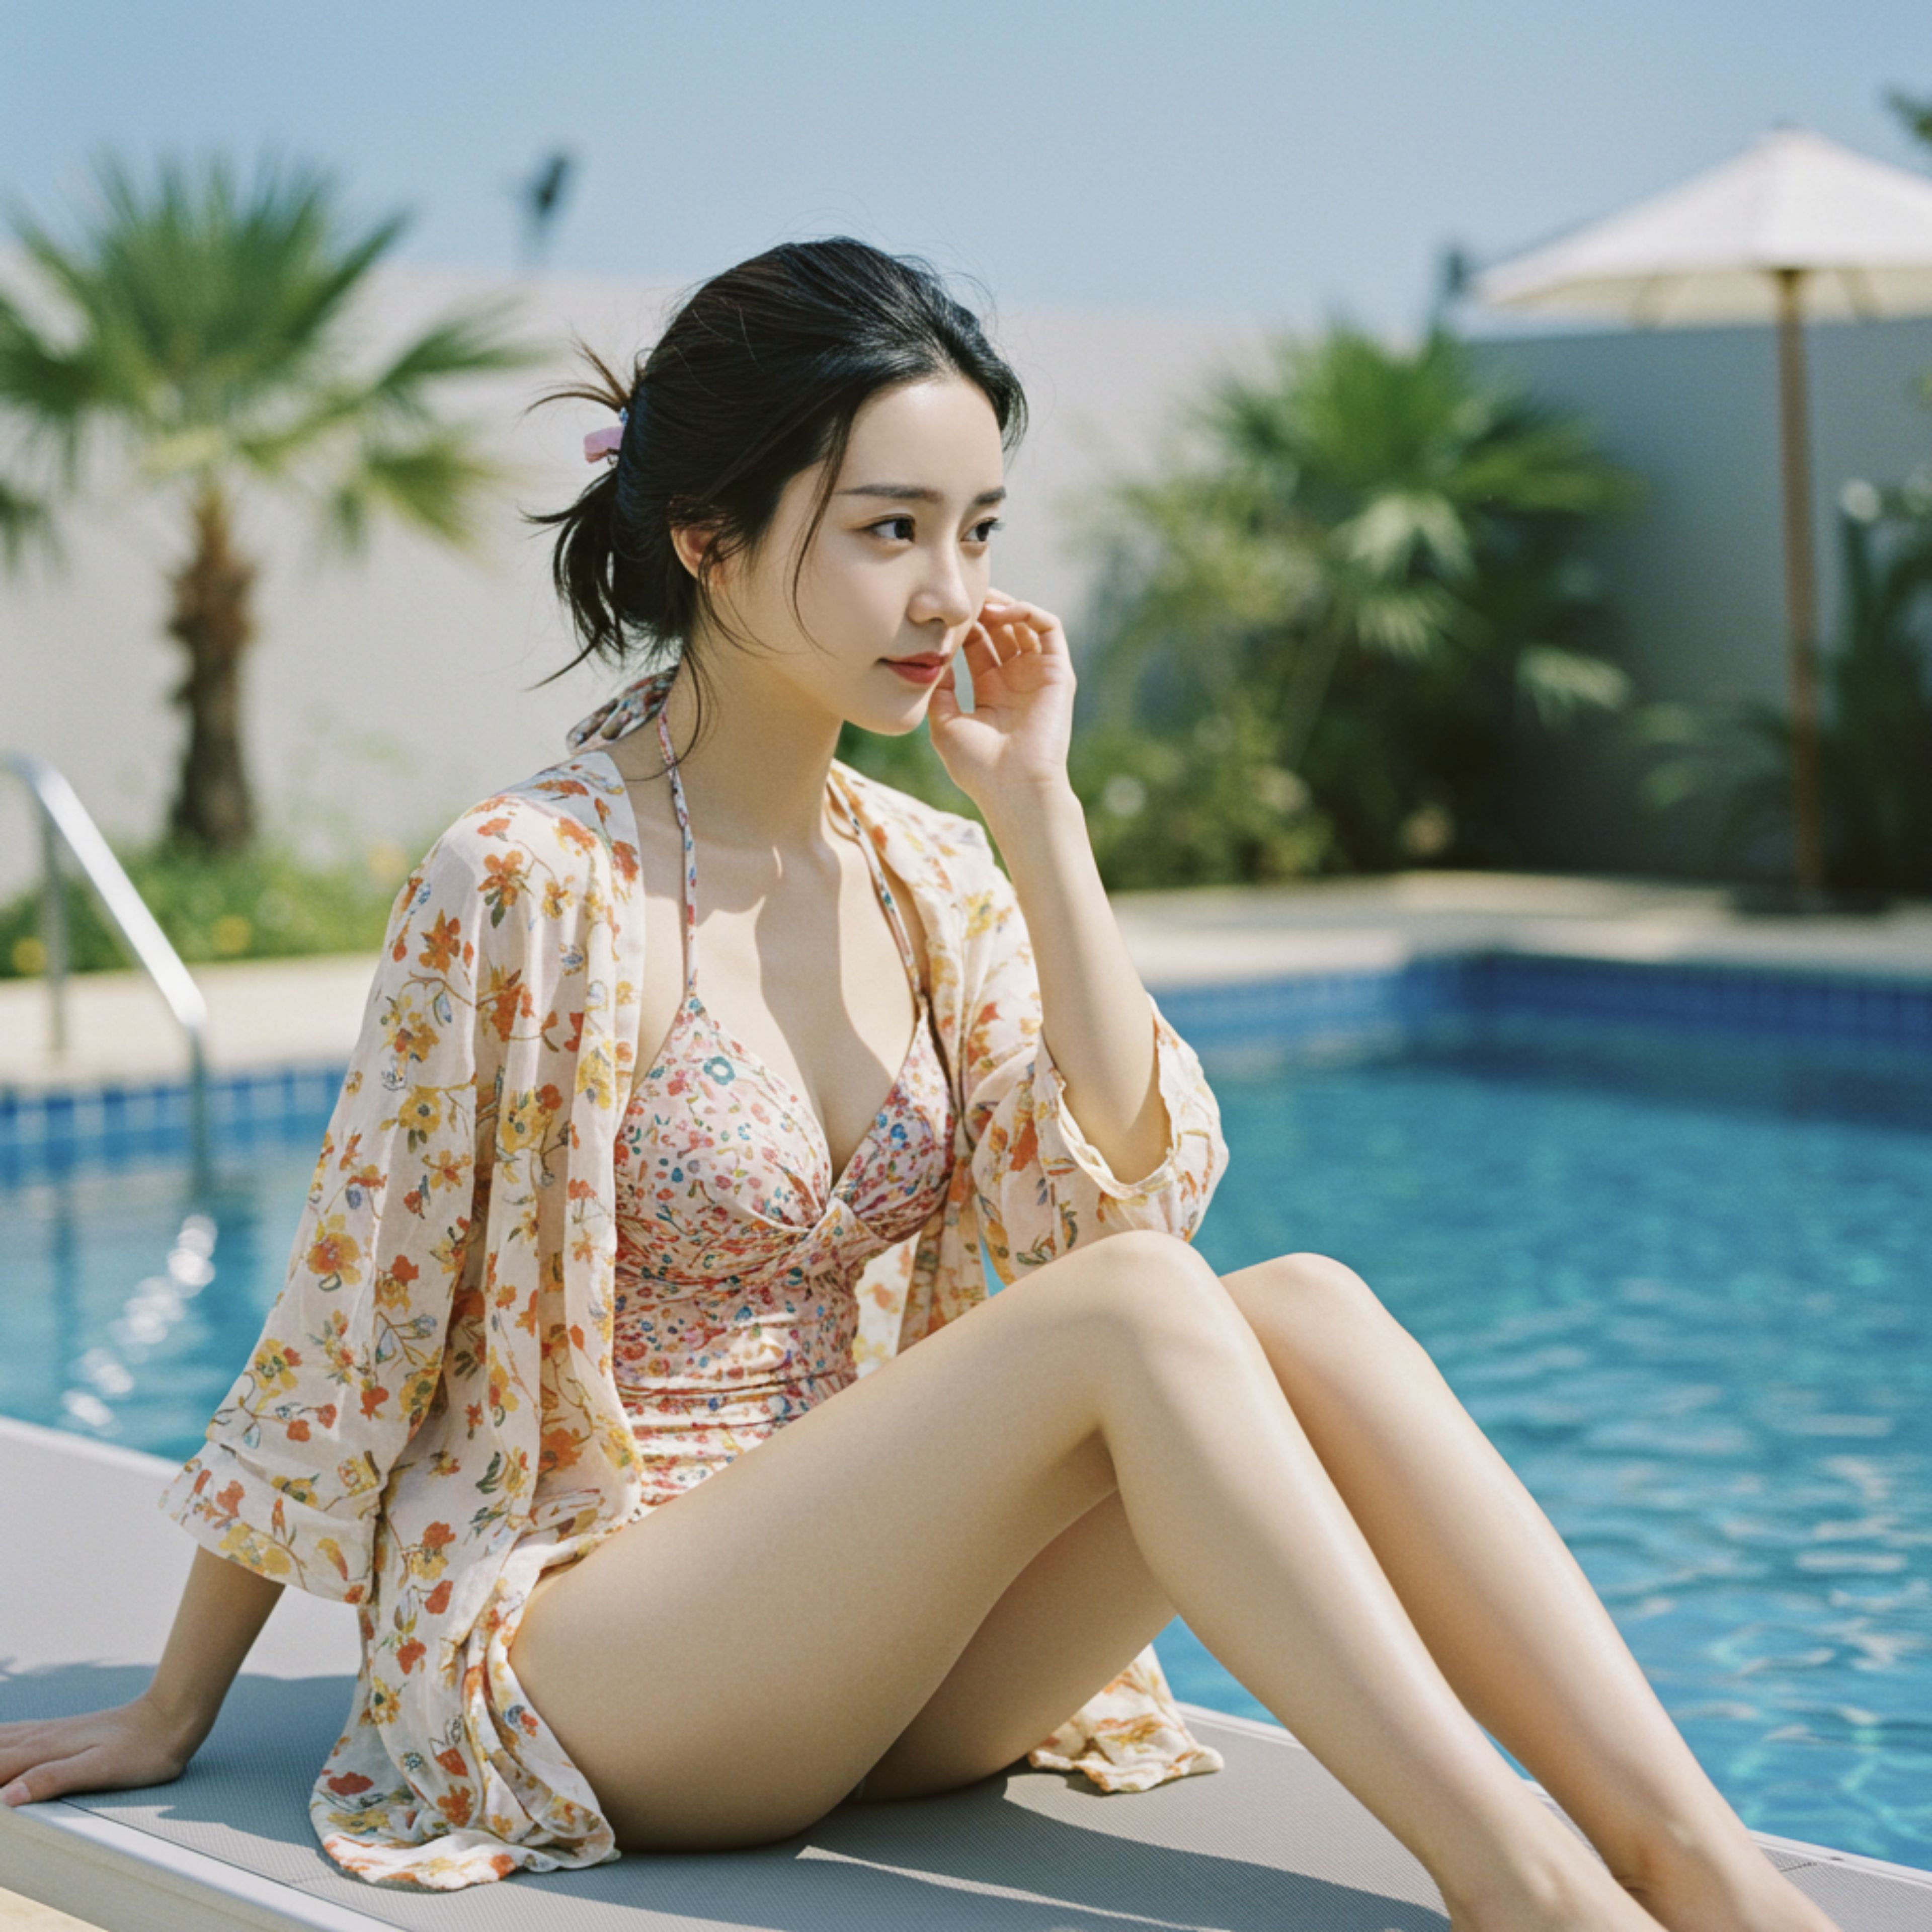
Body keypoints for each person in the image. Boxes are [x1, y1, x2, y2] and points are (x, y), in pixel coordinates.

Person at [0, 238, 1838, 1932]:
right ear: (707, 537)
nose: (952, 594)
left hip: (882, 1657)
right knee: (1140, 1312)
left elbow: (1124, 1193)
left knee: (1306, 1307)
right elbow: (356, 1316)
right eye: (890, 529)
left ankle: (1707, 1867)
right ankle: (1531, 1890)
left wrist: (1038, 813)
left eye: (979, 529)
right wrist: (176, 1707)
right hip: (609, 1658)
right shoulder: (531, 882)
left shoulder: (931, 875)